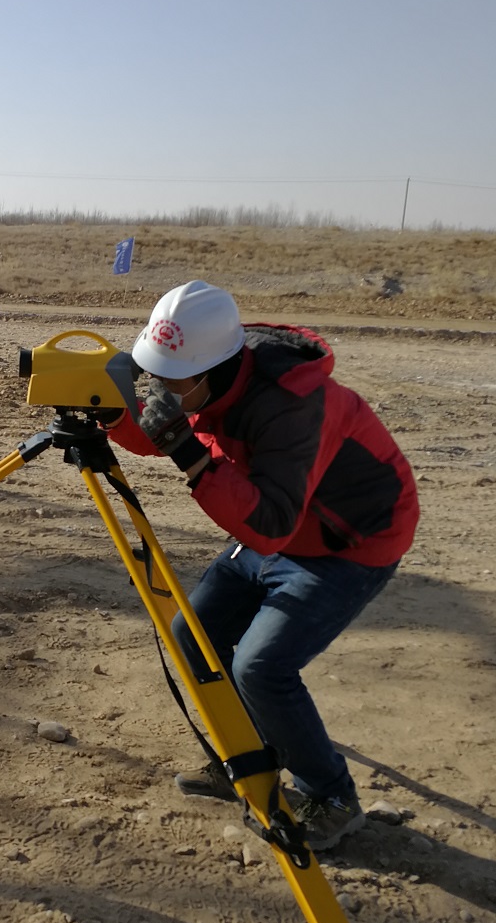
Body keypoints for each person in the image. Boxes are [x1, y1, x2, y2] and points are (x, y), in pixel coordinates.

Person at [103, 280, 419, 851]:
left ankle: (332, 797)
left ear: (213, 370)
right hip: (280, 521)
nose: (160, 388)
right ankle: (249, 757)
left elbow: (269, 525)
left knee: (260, 667)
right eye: (154, 374)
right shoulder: (210, 376)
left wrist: (190, 455)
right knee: (193, 634)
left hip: (349, 541)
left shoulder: (294, 405)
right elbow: (158, 432)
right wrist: (111, 413)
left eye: (172, 379)